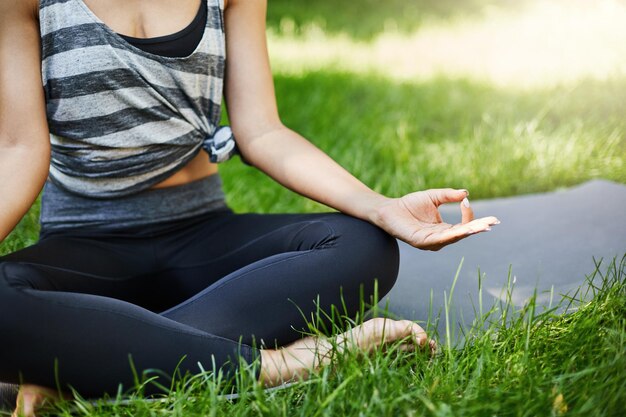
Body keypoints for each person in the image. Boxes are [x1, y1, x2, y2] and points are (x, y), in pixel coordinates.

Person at [0, 0, 499, 415]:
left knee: (364, 245)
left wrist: (380, 207)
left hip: (202, 234)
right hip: (86, 248)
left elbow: (262, 131)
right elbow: (21, 150)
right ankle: (286, 364)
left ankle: (81, 362)